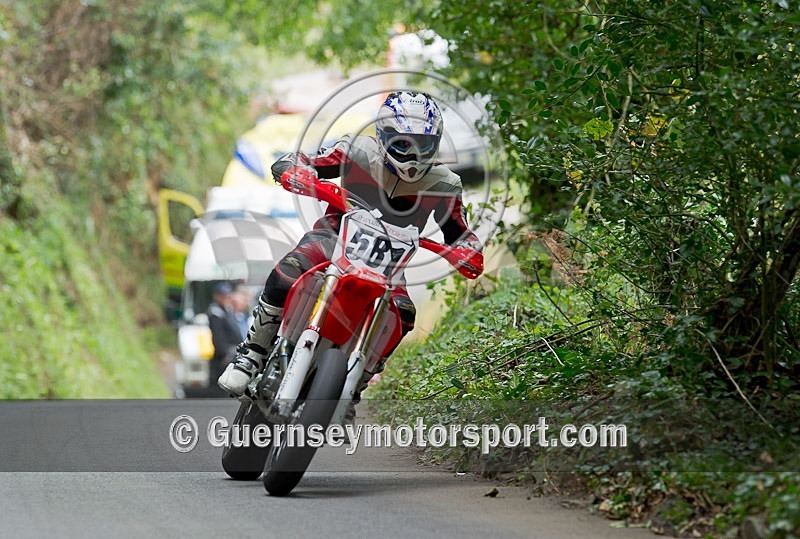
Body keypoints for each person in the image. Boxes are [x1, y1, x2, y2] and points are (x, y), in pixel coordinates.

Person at [218, 91, 482, 410]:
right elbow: (309, 160)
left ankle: (354, 389)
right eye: (402, 144)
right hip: (333, 238)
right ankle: (251, 354)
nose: (411, 155)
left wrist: (468, 251)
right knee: (291, 268)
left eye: (421, 145)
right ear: (383, 136)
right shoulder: (356, 149)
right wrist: (294, 168)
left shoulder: (445, 184)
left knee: (403, 312)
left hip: (389, 264)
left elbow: (459, 233)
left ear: (436, 143)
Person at [207, 282, 242, 395]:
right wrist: (226, 353)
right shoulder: (216, 313)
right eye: (223, 296)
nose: (225, 298)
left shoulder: (227, 311)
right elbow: (219, 339)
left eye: (227, 296)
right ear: (216, 296)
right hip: (222, 359)